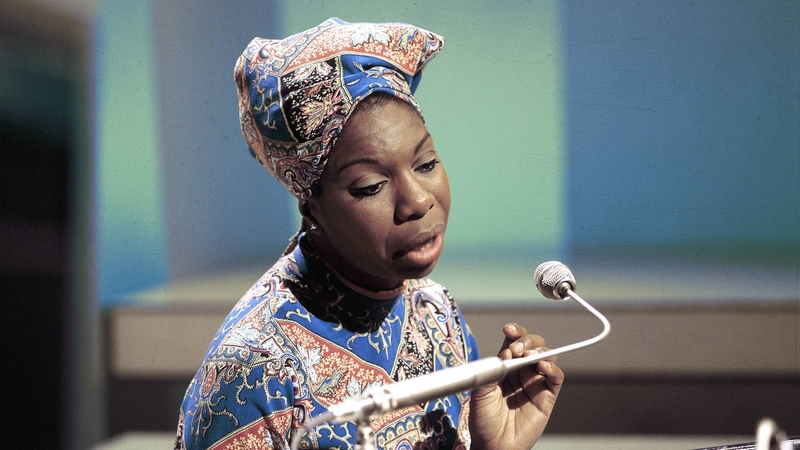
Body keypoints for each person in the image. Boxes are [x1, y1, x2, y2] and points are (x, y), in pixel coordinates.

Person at [176, 17, 563, 450]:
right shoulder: (253, 371)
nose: (417, 200)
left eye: (426, 163)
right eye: (370, 186)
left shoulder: (435, 312)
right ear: (311, 203)